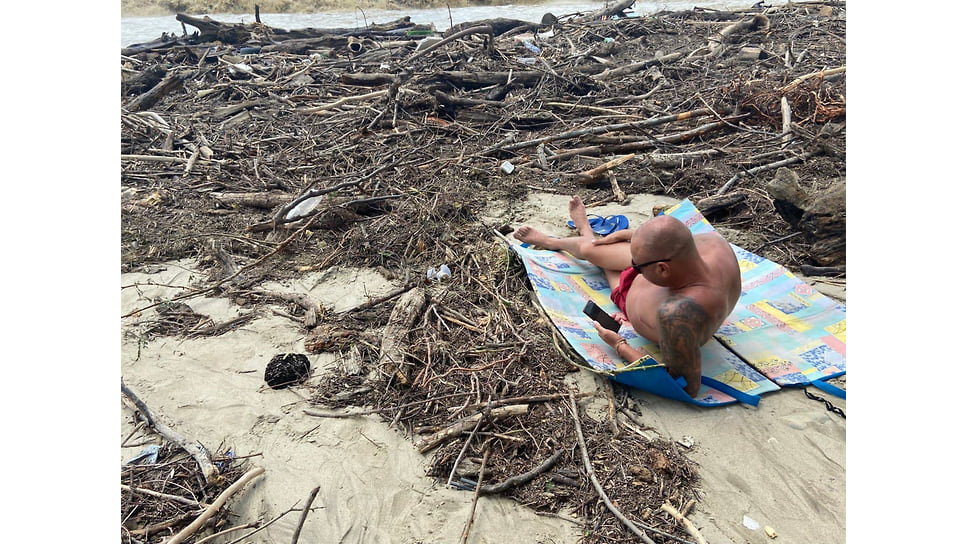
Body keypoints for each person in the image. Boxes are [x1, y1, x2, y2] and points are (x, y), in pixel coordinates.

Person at [513, 196, 741, 397]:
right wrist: (636, 236)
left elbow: (683, 386)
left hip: (628, 295)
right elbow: (679, 237)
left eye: (636, 266)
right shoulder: (715, 244)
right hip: (659, 271)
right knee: (595, 250)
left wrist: (619, 345)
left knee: (601, 259)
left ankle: (579, 235)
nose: (632, 268)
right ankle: (570, 239)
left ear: (662, 269)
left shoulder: (678, 314)